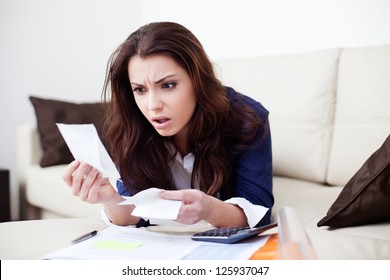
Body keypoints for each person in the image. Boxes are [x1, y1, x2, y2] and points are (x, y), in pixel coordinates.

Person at [62, 21, 273, 228]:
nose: (153, 105)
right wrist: (109, 198)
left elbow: (258, 215)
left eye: (168, 85)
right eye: (140, 90)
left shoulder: (247, 117)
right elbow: (134, 214)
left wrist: (209, 208)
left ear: (198, 80)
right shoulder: (134, 122)